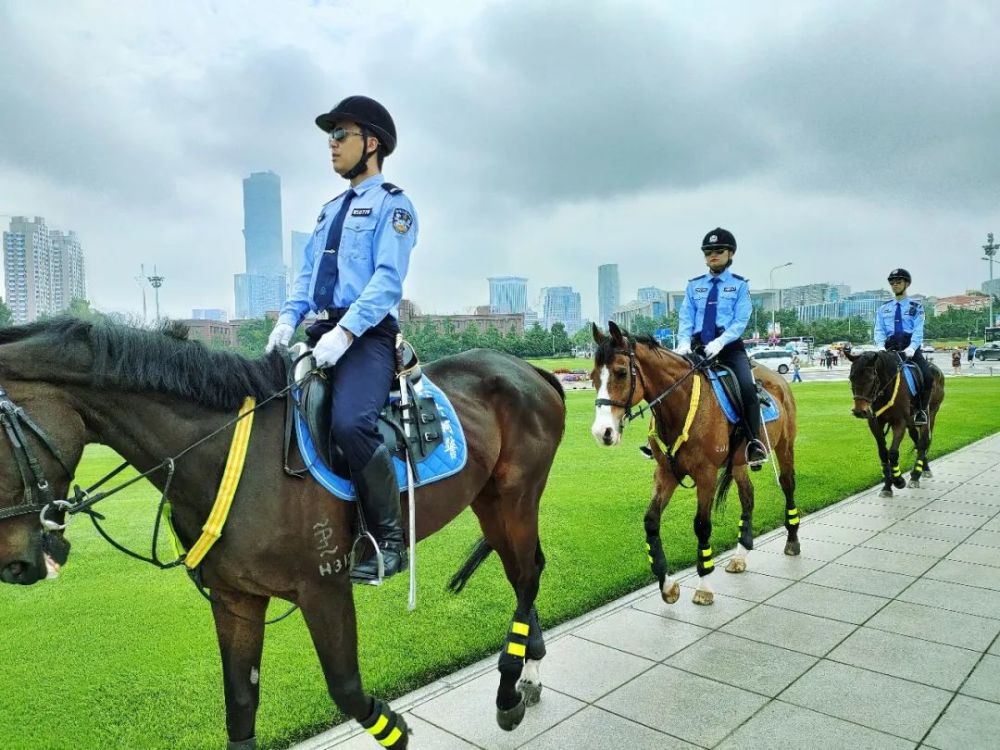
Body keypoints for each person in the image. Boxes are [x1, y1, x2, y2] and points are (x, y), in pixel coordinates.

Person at [265, 95, 418, 583]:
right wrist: (286, 322)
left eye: (340, 135)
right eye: (330, 137)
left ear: (371, 144)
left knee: (352, 424)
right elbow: (306, 275)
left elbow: (388, 281)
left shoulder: (393, 205)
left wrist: (348, 330)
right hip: (317, 331)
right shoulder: (328, 211)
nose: (330, 146)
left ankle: (390, 543)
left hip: (368, 334)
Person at [676, 228, 768, 467]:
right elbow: (686, 317)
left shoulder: (739, 286)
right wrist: (684, 342)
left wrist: (720, 342)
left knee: (747, 388)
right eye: (708, 252)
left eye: (718, 251)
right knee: (672, 384)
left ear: (731, 253)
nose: (713, 256)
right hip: (697, 347)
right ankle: (661, 439)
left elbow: (740, 321)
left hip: (728, 347)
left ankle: (753, 442)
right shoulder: (694, 286)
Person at [873, 268, 932, 425]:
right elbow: (879, 330)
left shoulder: (916, 307)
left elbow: (918, 330)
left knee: (927, 376)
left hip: (910, 347)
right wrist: (880, 346)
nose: (895, 285)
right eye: (892, 283)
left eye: (898, 282)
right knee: (872, 375)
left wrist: (912, 347)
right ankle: (874, 407)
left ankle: (920, 410)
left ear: (906, 283)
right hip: (889, 348)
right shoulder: (883, 308)